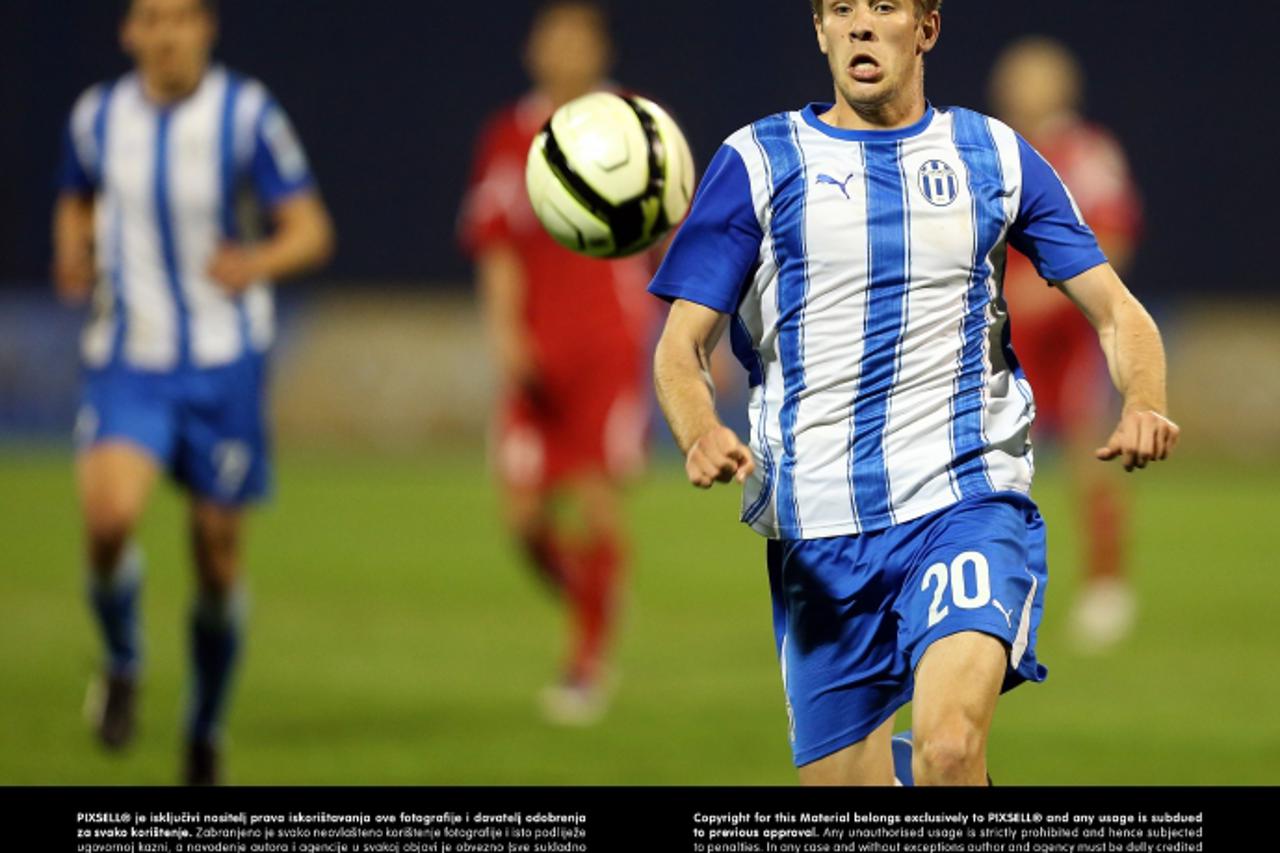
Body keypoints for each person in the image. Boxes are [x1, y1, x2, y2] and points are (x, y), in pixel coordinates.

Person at [649, 0, 1178, 785]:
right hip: (820, 535)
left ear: (926, 29)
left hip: (964, 500)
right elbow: (678, 348)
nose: (862, 25)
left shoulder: (993, 155)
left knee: (951, 748)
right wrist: (698, 430)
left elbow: (1117, 310)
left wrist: (1144, 400)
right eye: (842, 9)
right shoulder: (756, 161)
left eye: (885, 6)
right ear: (820, 29)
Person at [53, 0, 334, 784]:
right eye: (151, 18)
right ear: (129, 32)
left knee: (215, 558)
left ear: (206, 27)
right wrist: (71, 248)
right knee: (107, 519)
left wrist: (256, 263)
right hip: (129, 357)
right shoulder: (97, 116)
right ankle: (122, 660)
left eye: (180, 17)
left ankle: (204, 728)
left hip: (223, 364)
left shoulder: (246, 114)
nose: (166, 33)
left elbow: (310, 228)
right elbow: (75, 194)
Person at [458, 0, 652, 725]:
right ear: (534, 50)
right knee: (522, 518)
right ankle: (594, 591)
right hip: (538, 344)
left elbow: (673, 224)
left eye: (579, 39)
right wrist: (505, 330)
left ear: (598, 48)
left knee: (598, 498)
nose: (564, 51)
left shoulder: (633, 122)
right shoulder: (508, 134)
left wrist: (700, 330)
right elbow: (497, 239)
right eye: (553, 38)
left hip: (608, 338)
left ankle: (586, 662)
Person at [990, 37, 1145, 652]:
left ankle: (1107, 586)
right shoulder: (990, 147)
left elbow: (1114, 239)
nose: (1020, 89)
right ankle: (989, 587)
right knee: (985, 466)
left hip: (1069, 336)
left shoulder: (1085, 153)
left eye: (1033, 79)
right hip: (1001, 334)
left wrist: (1049, 293)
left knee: (1090, 455)